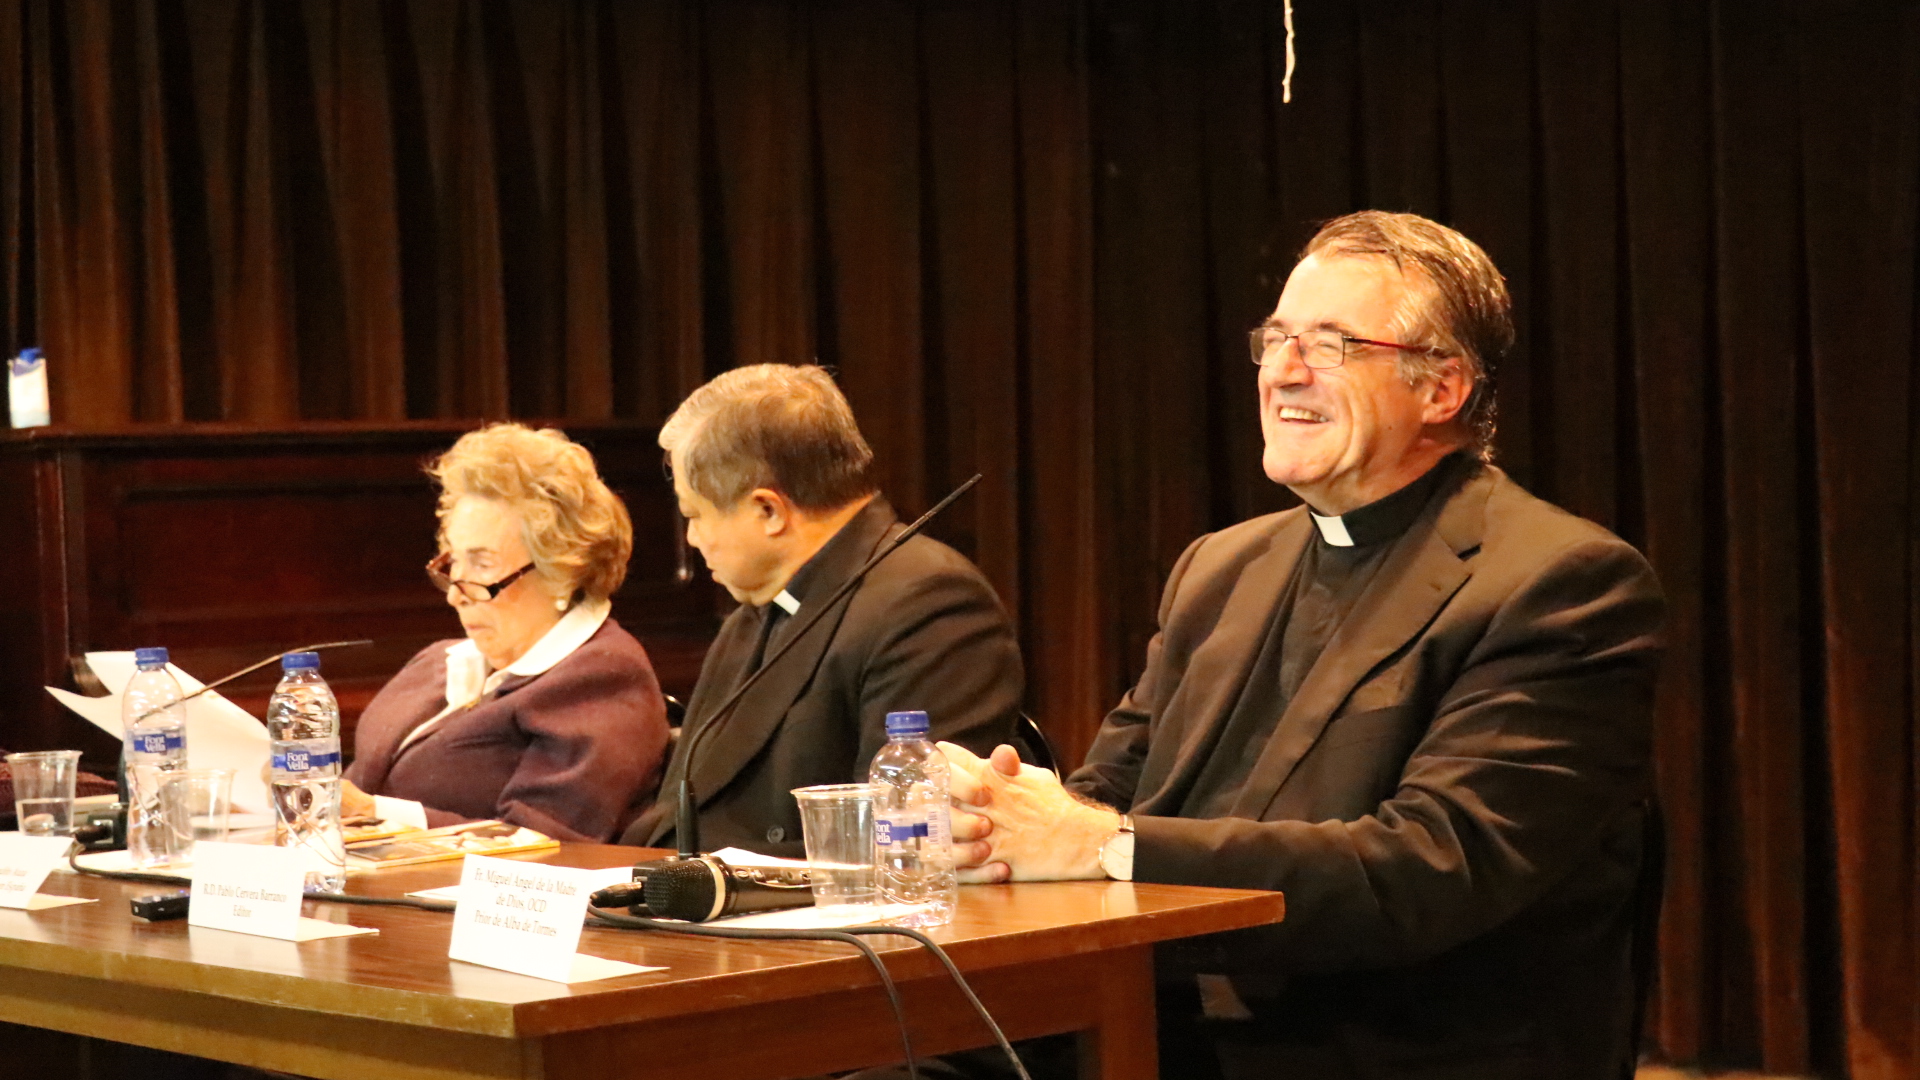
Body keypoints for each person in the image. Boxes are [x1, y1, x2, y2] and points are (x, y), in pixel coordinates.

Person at [941, 212, 1665, 1080]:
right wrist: (996, 825)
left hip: (1378, 1051)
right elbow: (1106, 792)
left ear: (1443, 388)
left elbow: (1431, 866)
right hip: (1150, 1029)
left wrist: (1098, 845)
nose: (1282, 371)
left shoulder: (1560, 581)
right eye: (1276, 338)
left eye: (1331, 344)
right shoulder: (1220, 567)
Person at [621, 364, 1023, 857]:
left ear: (768, 511)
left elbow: (902, 844)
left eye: (696, 515)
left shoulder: (932, 602)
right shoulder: (758, 607)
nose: (692, 539)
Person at [340, 423, 670, 844]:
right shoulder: (438, 660)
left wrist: (378, 816)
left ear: (561, 571)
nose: (455, 597)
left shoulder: (602, 678)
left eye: (482, 566)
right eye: (452, 564)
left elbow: (541, 846)